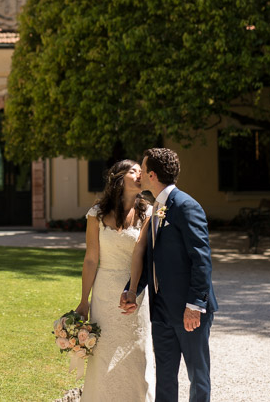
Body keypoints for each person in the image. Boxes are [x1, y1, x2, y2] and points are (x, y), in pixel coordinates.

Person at [121, 148, 218, 402]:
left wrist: (195, 304)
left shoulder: (186, 206)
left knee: (197, 375)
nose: (139, 175)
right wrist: (132, 290)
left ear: (152, 175)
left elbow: (202, 259)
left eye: (142, 170)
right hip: (161, 310)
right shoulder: (157, 208)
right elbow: (154, 261)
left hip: (189, 310)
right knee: (164, 377)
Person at [75, 160, 155, 401]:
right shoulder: (96, 213)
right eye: (134, 171)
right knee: (103, 353)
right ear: (119, 178)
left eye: (142, 171)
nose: (141, 175)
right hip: (104, 294)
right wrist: (84, 301)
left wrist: (133, 289)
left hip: (135, 291)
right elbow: (91, 259)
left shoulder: (148, 212)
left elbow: (144, 255)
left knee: (136, 351)